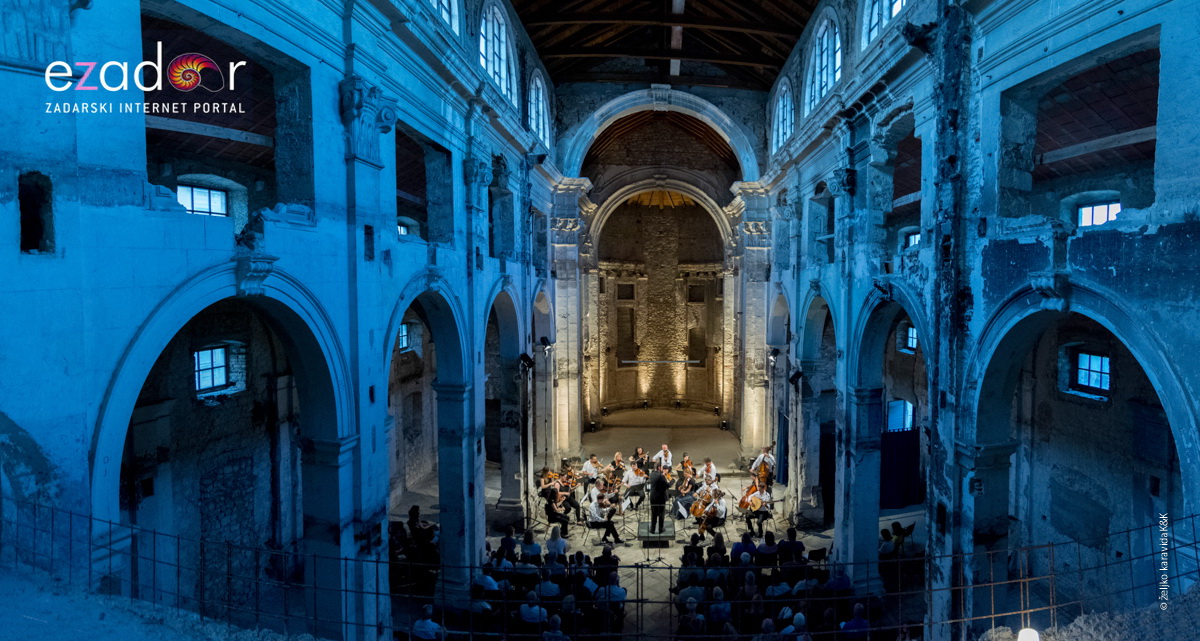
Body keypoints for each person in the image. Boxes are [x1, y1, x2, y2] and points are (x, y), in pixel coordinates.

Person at [648, 463, 671, 534]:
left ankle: (652, 529)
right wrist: (672, 480)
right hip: (660, 497)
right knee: (661, 514)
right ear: (659, 468)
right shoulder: (661, 476)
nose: (663, 468)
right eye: (662, 467)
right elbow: (667, 485)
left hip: (652, 496)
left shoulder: (652, 474)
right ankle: (661, 529)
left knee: (654, 513)